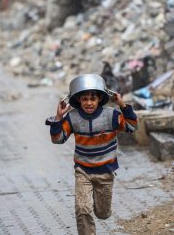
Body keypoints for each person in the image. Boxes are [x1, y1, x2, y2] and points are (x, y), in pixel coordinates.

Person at [46, 75, 138, 235]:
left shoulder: (111, 115)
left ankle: (100, 205)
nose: (89, 102)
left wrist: (122, 104)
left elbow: (131, 127)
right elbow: (58, 139)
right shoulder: (72, 117)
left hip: (105, 172)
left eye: (93, 98)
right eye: (85, 99)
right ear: (78, 100)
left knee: (102, 213)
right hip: (83, 172)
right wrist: (59, 117)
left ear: (100, 98)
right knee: (82, 208)